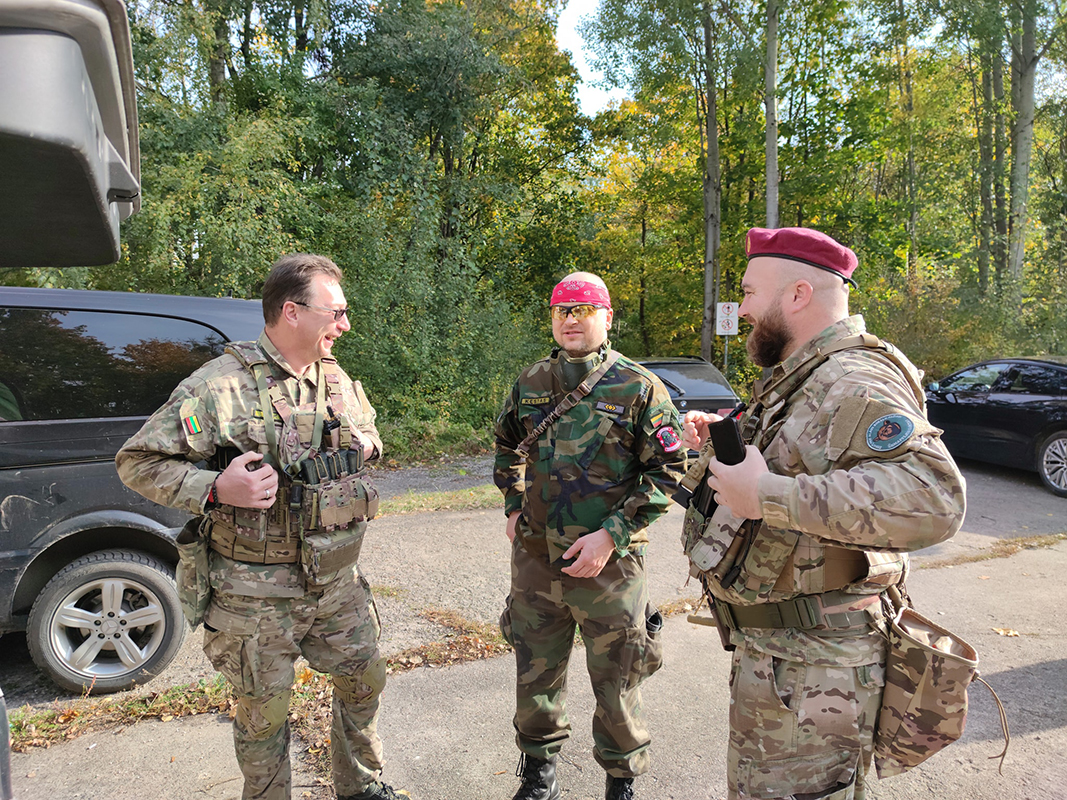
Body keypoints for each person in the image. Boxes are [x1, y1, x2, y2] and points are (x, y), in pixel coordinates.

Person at [679, 227, 966, 800]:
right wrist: (725, 444)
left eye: (749, 292)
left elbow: (935, 498)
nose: (743, 308)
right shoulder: (805, 376)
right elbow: (809, 458)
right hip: (785, 657)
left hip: (818, 673)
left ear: (798, 294)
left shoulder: (853, 378)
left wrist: (765, 495)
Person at [116, 254, 409, 800]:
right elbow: (137, 462)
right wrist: (215, 488)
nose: (345, 325)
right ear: (292, 311)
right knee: (264, 714)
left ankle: (360, 786)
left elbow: (369, 435)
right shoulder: (219, 386)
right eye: (337, 312)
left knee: (365, 682)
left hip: (337, 583)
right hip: (255, 594)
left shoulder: (336, 380)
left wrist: (366, 445)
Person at [493, 272, 688, 800]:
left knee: (619, 676)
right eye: (561, 310)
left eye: (583, 309)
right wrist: (514, 503)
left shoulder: (638, 387)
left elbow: (669, 470)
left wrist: (611, 535)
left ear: (607, 317)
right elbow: (507, 445)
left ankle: (621, 780)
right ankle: (539, 772)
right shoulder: (532, 381)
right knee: (535, 671)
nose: (570, 319)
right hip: (537, 560)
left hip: (610, 567)